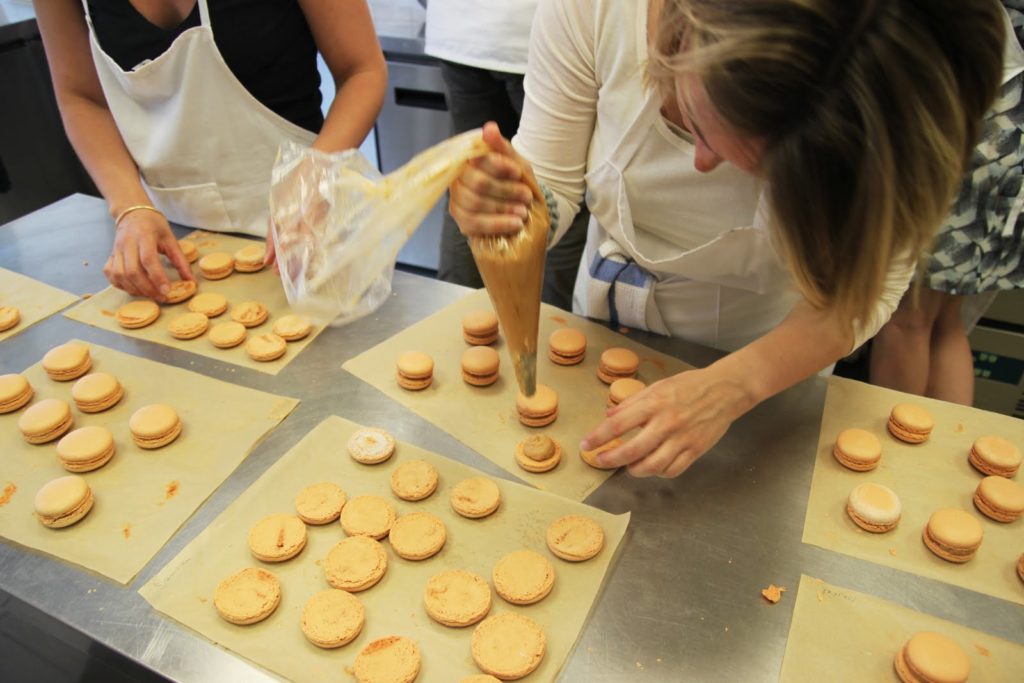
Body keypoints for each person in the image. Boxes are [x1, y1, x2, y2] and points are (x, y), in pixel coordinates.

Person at [449, 0, 1005, 477]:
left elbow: (864, 289)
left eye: (759, 168)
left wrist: (736, 385)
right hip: (600, 324)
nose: (701, 161)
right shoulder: (599, 10)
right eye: (694, 117)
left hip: (773, 357)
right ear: (683, 30)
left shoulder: (902, 92)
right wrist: (514, 208)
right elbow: (554, 177)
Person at [33, 0, 386, 302]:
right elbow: (82, 97)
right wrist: (129, 206)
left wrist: (313, 173)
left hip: (311, 227)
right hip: (169, 245)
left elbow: (362, 71)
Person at [869, 1, 1024, 406]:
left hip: (966, 108)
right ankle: (937, 463)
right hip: (1010, 122)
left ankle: (901, 462)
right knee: (945, 319)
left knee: (908, 318)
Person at [425, 0, 588, 309]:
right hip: (534, 36)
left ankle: (457, 317)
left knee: (478, 186)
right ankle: (549, 328)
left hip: (459, 30)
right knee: (519, 197)